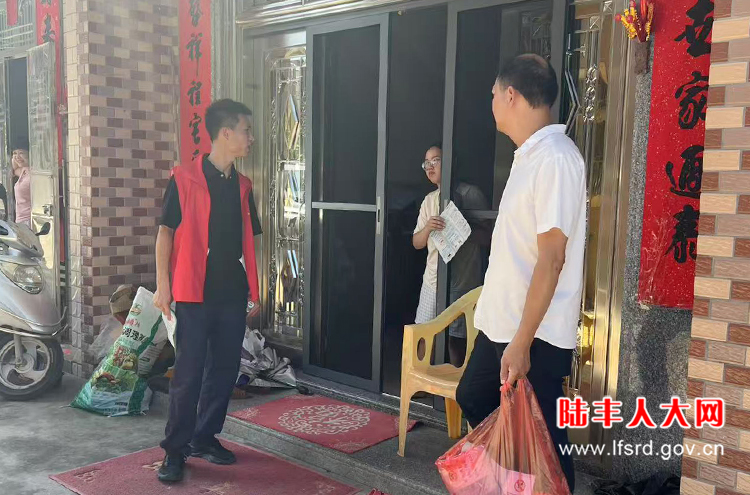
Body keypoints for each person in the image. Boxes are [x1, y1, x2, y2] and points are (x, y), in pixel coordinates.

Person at [455, 54, 585, 492]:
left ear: (510, 95)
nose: (491, 102)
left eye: (493, 94)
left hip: (534, 334)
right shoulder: (529, 157)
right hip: (502, 323)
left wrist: (523, 341)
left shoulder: (556, 159)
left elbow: (551, 258)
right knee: (474, 397)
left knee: (545, 443)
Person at [153, 99, 263, 483]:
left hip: (231, 292)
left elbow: (251, 240)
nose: (251, 138)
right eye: (247, 131)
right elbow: (165, 232)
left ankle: (204, 437)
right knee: (188, 373)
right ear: (226, 133)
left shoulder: (243, 186)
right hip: (193, 291)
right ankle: (174, 450)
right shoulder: (184, 178)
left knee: (225, 369)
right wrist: (163, 285)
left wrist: (254, 288)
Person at [412, 143, 488, 367]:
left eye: (435, 160)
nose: (430, 166)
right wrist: (428, 228)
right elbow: (416, 242)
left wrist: (464, 228)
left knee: (457, 341)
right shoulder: (429, 200)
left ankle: (457, 385)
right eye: (426, 163)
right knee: (423, 334)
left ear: (451, 163)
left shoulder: (471, 194)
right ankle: (420, 382)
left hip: (463, 282)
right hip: (433, 280)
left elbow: (489, 237)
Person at [11, 138, 31, 227]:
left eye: (21, 153)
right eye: (15, 153)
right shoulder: (24, 170)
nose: (17, 156)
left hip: (29, 221)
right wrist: (15, 158)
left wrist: (16, 158)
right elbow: (13, 170)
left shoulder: (33, 174)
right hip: (21, 221)